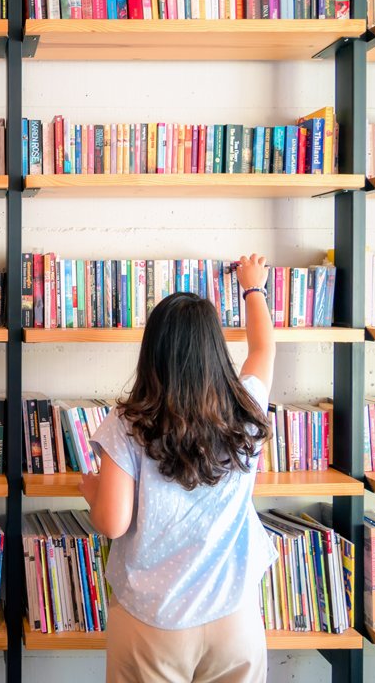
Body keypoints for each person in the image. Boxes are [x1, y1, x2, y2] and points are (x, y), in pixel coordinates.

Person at [80, 253, 277, 683]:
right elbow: (263, 348)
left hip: (155, 618)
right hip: (234, 615)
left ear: (153, 353)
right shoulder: (246, 408)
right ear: (215, 349)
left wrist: (89, 488)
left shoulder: (129, 424)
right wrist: (253, 289)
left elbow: (112, 523)